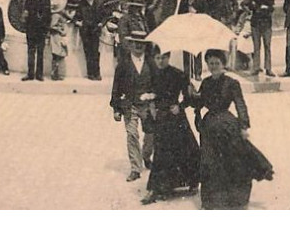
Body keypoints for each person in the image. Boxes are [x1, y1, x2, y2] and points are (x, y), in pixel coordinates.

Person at [193, 49, 273, 210]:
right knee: (211, 163)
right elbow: (199, 103)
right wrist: (192, 95)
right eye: (211, 63)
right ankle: (212, 201)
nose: (214, 66)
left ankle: (236, 200)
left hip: (227, 125)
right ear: (207, 64)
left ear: (223, 65)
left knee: (233, 162)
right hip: (209, 128)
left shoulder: (231, 83)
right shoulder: (206, 83)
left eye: (217, 63)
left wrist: (243, 126)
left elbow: (240, 104)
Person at [142, 50, 200, 204]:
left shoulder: (178, 74)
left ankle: (193, 182)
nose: (160, 61)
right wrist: (151, 106)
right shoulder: (153, 74)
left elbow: (189, 97)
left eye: (163, 58)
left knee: (186, 148)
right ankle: (156, 188)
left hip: (176, 117)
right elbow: (148, 93)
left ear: (169, 58)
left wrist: (180, 106)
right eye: (157, 58)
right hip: (161, 117)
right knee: (161, 151)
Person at [110, 33, 157, 182]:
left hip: (148, 106)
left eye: (141, 43)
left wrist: (154, 98)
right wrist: (116, 108)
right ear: (130, 45)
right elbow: (116, 87)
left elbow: (157, 84)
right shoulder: (123, 64)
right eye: (135, 43)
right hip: (129, 105)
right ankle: (136, 168)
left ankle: (146, 156)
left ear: (145, 45)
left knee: (151, 134)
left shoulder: (151, 63)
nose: (138, 46)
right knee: (132, 135)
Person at [22, 0, 51, 81]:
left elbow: (48, 16)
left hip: (41, 30)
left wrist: (46, 30)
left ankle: (39, 74)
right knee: (30, 51)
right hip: (31, 29)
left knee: (40, 52)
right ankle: (30, 74)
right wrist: (32, 1)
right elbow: (26, 12)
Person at [245, 0, 275, 77]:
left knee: (267, 46)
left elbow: (271, 9)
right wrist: (262, 8)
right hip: (256, 24)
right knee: (256, 47)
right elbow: (250, 6)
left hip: (266, 25)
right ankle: (256, 67)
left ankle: (268, 68)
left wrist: (258, 7)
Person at [75, 0, 104, 80]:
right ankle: (90, 73)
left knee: (95, 52)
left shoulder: (99, 2)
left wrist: (101, 23)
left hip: (95, 30)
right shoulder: (81, 4)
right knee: (88, 52)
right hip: (85, 31)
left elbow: (105, 16)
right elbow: (76, 17)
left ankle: (97, 73)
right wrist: (78, 23)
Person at [178, 0, 204, 81]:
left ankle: (197, 73)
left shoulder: (201, 1)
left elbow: (205, 15)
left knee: (197, 52)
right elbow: (179, 16)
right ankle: (187, 73)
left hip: (197, 30)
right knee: (186, 52)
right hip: (186, 30)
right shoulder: (183, 1)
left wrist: (196, 13)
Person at [49, 0, 69, 81]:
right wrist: (61, 30)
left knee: (58, 55)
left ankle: (56, 73)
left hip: (56, 37)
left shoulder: (56, 15)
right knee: (57, 55)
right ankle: (54, 74)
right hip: (56, 37)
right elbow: (52, 26)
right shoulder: (56, 16)